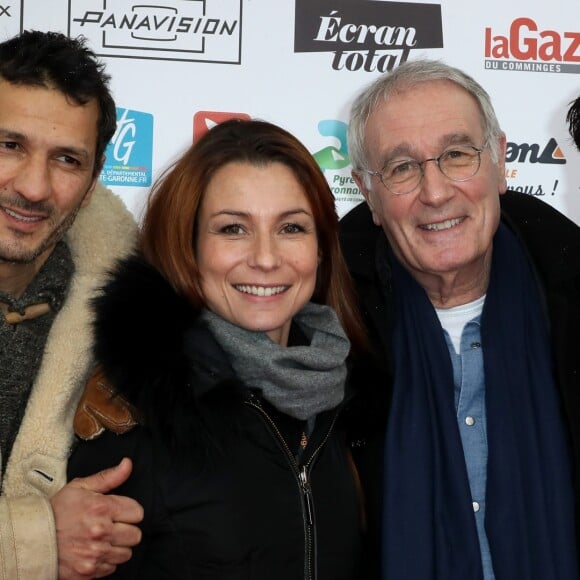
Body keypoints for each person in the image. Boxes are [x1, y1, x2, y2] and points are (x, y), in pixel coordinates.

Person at [67, 118, 368, 579]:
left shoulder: (352, 399)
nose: (266, 258)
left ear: (322, 249)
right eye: (233, 229)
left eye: (291, 228)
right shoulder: (131, 412)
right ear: (188, 247)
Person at [340, 58, 580, 580]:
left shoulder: (571, 308)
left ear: (499, 159)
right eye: (402, 167)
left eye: (456, 154)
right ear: (367, 192)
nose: (435, 191)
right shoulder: (319, 338)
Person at [0, 30, 143, 579]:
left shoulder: (129, 319)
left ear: (92, 179)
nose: (35, 188)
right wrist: (35, 541)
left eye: (66, 159)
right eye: (10, 145)